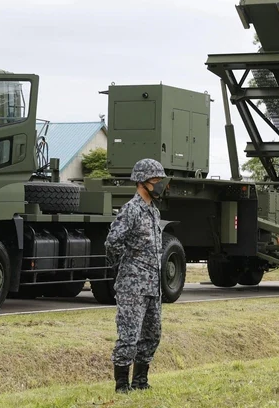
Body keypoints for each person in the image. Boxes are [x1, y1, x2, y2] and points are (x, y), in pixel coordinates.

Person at [105, 158, 167, 394]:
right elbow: (112, 242)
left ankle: (141, 381)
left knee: (152, 335)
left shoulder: (153, 210)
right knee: (129, 336)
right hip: (133, 287)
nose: (161, 184)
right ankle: (122, 386)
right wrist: (124, 266)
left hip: (153, 286)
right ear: (143, 181)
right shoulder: (131, 210)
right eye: (157, 179)